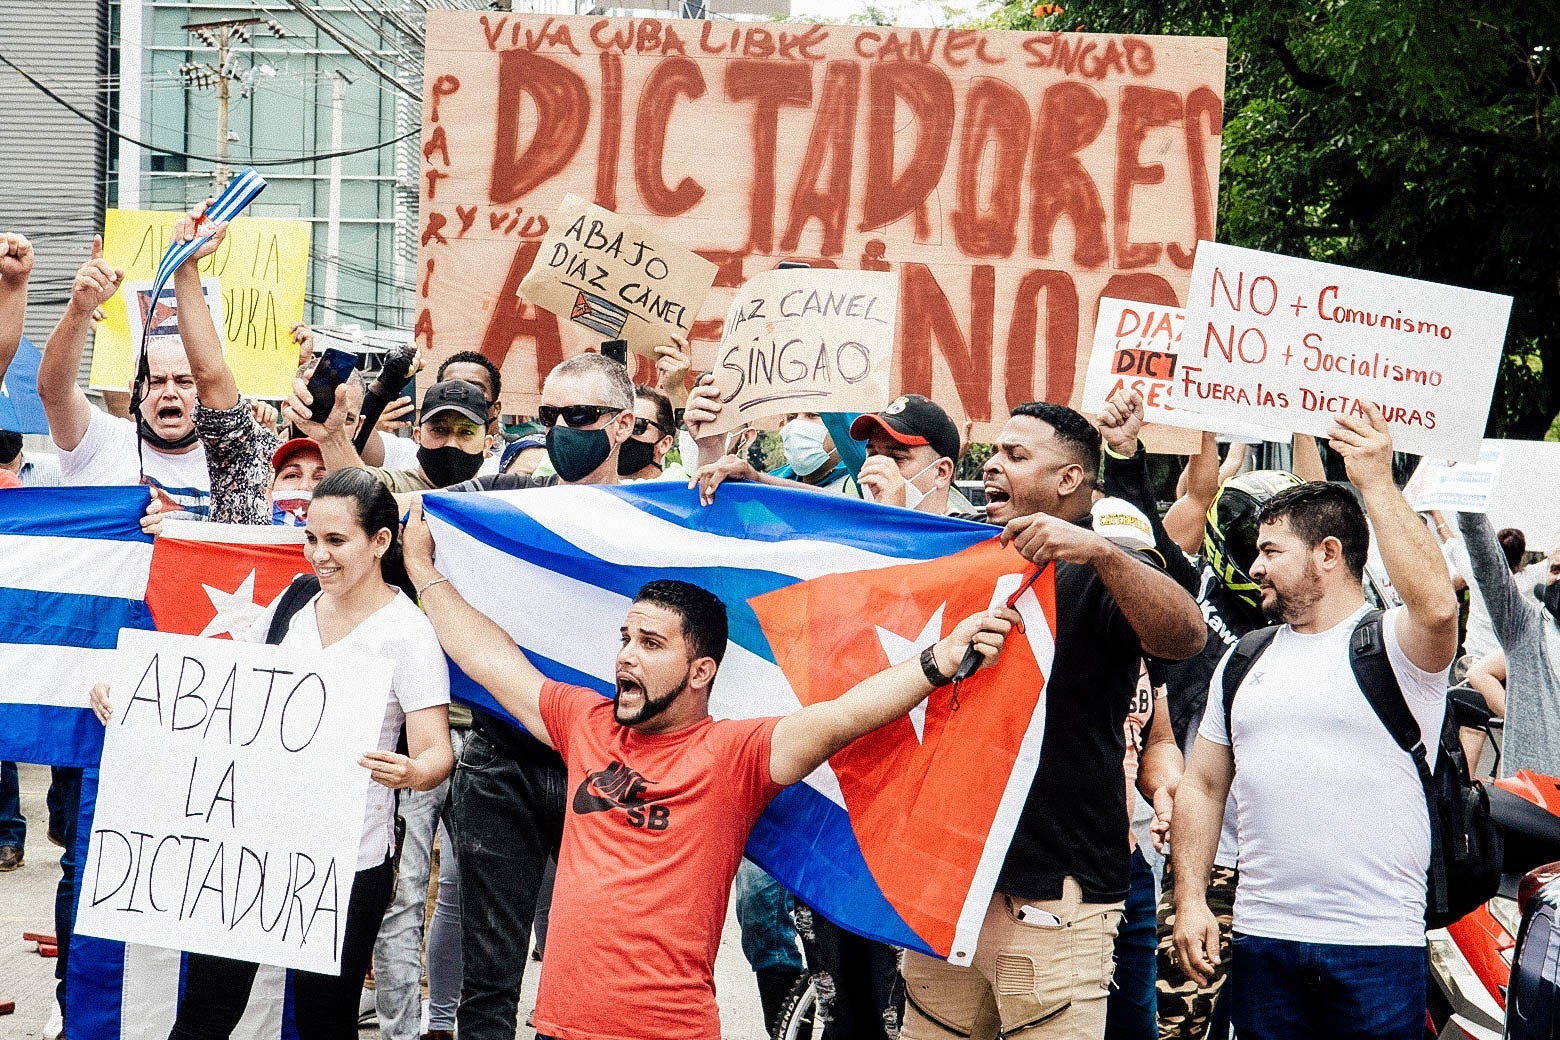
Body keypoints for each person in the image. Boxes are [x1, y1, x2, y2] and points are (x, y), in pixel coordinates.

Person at [401, 497, 1021, 1040]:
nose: (625, 657)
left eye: (651, 644)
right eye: (625, 638)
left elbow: (843, 715)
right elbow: (491, 657)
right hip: (560, 1027)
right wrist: (423, 570)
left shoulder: (736, 756)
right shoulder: (584, 723)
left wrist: (939, 660)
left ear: (701, 672)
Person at [88, 467, 454, 1039]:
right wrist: (135, 694)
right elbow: (225, 691)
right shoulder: (295, 599)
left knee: (323, 1020)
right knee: (207, 1009)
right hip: (254, 846)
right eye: (311, 538)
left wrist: (411, 770)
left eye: (336, 541)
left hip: (346, 863)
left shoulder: (408, 633)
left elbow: (438, 753)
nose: (318, 555)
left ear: (381, 542)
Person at [886, 399, 1206, 1040]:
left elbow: (1186, 636)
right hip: (948, 895)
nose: (993, 467)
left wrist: (1105, 556)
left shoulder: (1105, 571)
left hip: (1055, 906)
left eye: (1015, 455)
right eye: (994, 453)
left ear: (1068, 480)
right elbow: (856, 534)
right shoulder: (969, 548)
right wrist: (759, 485)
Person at [1172, 403, 1458, 1040]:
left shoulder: (1395, 646)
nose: (1255, 567)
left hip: (1378, 946)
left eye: (1271, 550)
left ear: (1328, 554)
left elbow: (1439, 609)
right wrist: (1190, 899)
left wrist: (1376, 484)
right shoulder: (1245, 660)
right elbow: (1203, 786)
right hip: (1263, 939)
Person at [39, 235, 211, 518]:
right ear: (134, 391)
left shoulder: (227, 462)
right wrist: (80, 309)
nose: (169, 392)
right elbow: (54, 391)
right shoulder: (100, 442)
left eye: (183, 381)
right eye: (155, 382)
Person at [1455, 508, 1560, 777]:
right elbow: (1487, 562)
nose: (1558, 579)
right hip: (1528, 811)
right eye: (1556, 569)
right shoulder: (1527, 628)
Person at [293, 378, 489, 493]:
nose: (451, 443)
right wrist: (332, 436)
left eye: (466, 432)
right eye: (439, 430)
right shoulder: (390, 487)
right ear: (418, 435)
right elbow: (354, 488)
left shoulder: (502, 495)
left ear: (487, 444)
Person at [850, 394, 962, 513]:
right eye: (872, 455)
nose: (878, 468)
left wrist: (893, 518)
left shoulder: (973, 529)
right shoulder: (851, 526)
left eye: (896, 458)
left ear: (941, 472)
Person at [618, 384, 688, 481]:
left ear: (664, 443)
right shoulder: (594, 491)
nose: (624, 433)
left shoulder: (679, 488)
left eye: (637, 425)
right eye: (619, 424)